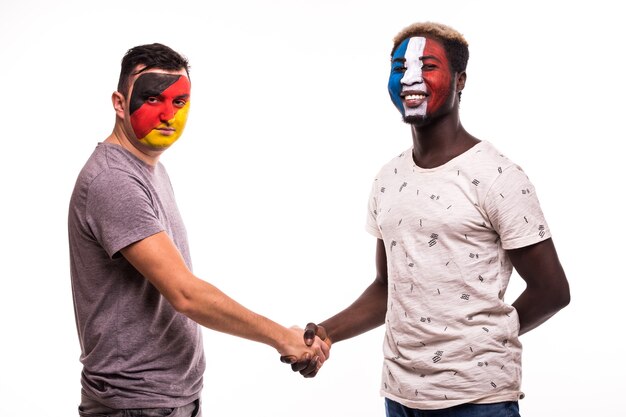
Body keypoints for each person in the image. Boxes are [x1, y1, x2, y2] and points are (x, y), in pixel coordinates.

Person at [288, 22, 570, 416]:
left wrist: (482, 342)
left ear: (460, 80)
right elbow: (389, 287)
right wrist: (326, 333)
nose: (410, 78)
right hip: (400, 397)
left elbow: (553, 290)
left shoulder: (497, 176)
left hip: (477, 401)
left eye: (428, 66)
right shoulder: (388, 178)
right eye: (400, 67)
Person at [68, 43, 328, 417]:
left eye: (179, 102)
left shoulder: (146, 168)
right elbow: (185, 293)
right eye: (152, 98)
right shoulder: (115, 180)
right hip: (136, 404)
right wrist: (280, 337)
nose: (167, 114)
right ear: (120, 103)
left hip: (164, 401)